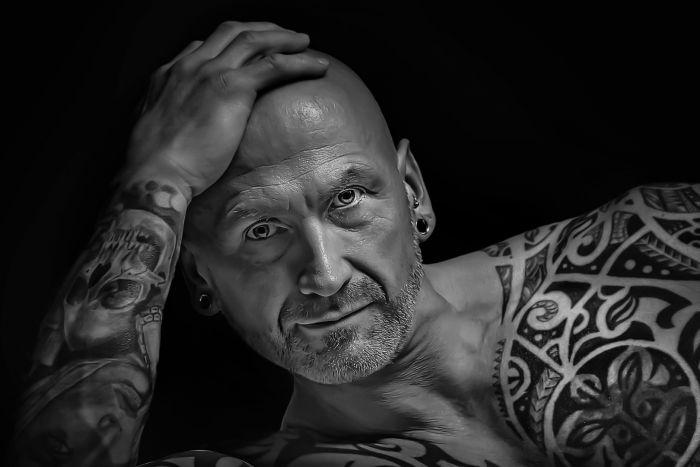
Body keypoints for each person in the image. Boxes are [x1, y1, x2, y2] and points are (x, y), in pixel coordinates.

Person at [10, 20, 700, 467]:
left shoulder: (646, 252)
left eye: (347, 200)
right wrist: (157, 179)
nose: (325, 272)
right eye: (261, 230)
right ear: (194, 277)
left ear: (413, 192)